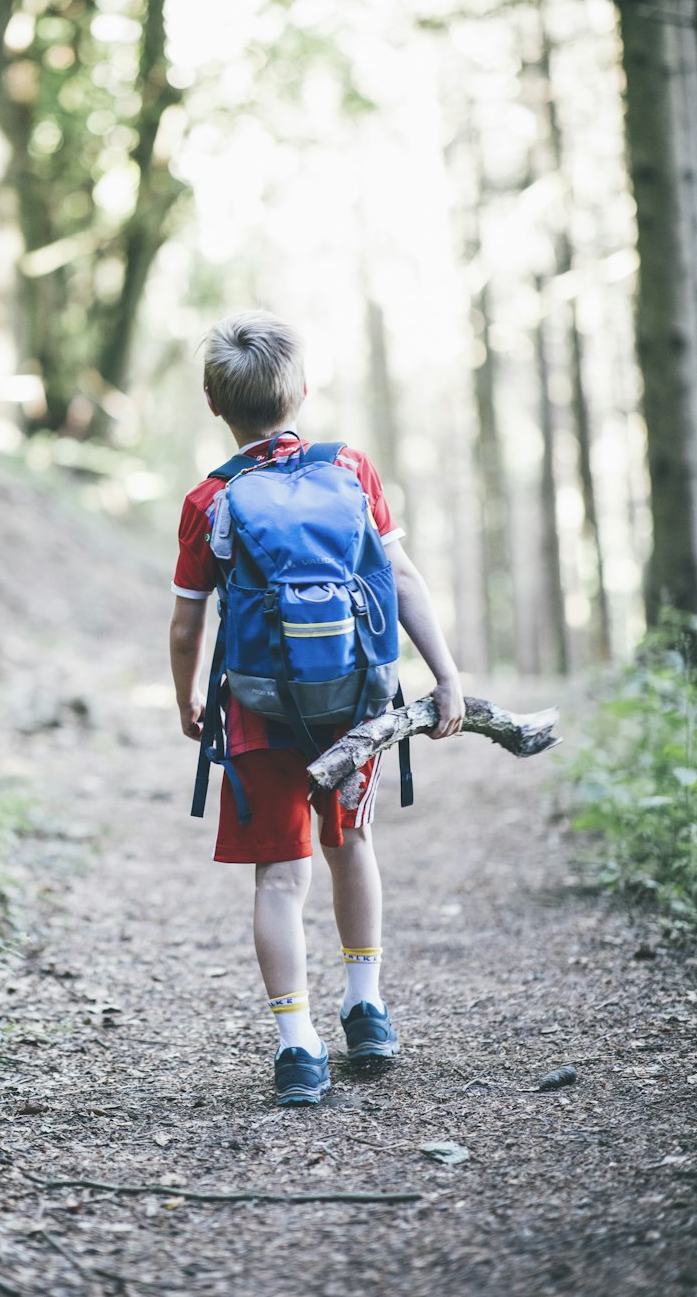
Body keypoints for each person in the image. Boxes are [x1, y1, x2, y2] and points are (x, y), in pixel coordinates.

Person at [169, 310, 465, 1106]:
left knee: (278, 877)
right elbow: (401, 581)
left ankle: (297, 1046)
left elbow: (187, 619)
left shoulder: (210, 500)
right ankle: (364, 1005)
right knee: (353, 844)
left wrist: (189, 696)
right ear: (300, 392)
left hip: (260, 713)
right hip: (355, 704)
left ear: (213, 403)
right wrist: (445, 676)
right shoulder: (353, 470)